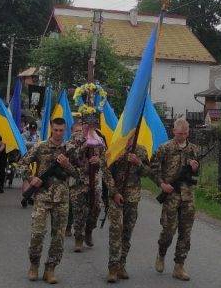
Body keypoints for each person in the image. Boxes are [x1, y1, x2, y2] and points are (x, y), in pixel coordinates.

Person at [19, 117, 80, 284]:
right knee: (37, 233)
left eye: (61, 130)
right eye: (56, 130)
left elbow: (79, 174)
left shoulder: (70, 150)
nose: (59, 133)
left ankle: (50, 269)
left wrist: (67, 164)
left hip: (62, 199)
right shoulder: (40, 146)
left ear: (65, 130)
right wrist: (31, 178)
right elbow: (22, 163)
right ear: (51, 129)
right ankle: (34, 265)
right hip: (42, 197)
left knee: (58, 237)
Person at [153, 118, 200, 281]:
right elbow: (154, 169)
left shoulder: (193, 149)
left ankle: (179, 266)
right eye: (180, 133)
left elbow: (196, 174)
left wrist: (195, 168)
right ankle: (161, 253)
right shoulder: (164, 148)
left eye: (185, 133)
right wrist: (162, 184)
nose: (182, 136)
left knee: (185, 232)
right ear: (174, 132)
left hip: (187, 196)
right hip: (171, 195)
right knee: (168, 231)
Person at [103, 133, 150, 283]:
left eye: (133, 136)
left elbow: (148, 173)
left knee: (127, 232)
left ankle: (121, 264)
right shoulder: (114, 148)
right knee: (116, 231)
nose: (130, 139)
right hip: (116, 197)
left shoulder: (141, 151)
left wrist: (138, 163)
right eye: (127, 136)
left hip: (132, 197)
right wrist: (114, 192)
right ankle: (112, 267)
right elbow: (106, 173)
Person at [66, 120, 104, 253]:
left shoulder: (98, 138)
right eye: (78, 130)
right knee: (78, 211)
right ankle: (78, 238)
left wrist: (99, 161)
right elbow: (72, 155)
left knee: (97, 208)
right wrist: (84, 144)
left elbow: (106, 157)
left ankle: (89, 230)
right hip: (79, 181)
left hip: (94, 181)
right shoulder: (73, 140)